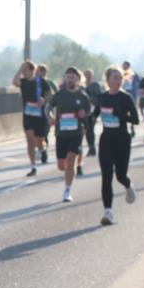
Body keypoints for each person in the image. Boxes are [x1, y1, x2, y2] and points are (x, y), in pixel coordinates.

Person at [97, 65, 139, 225]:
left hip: (122, 140)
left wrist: (121, 115)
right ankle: (108, 212)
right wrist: (86, 119)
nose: (118, 80)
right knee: (106, 175)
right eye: (115, 78)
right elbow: (94, 114)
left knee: (120, 175)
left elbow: (136, 120)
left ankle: (128, 185)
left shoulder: (125, 98)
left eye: (120, 78)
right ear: (108, 80)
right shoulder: (102, 98)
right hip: (106, 140)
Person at [48, 67, 91, 202]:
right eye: (68, 77)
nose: (70, 79)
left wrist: (84, 115)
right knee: (61, 165)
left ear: (78, 79)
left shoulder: (83, 96)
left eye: (73, 77)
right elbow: (48, 107)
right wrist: (50, 117)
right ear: (65, 79)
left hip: (76, 133)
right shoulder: (59, 95)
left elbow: (89, 113)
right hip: (61, 134)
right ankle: (68, 172)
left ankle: (67, 190)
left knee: (71, 160)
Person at [13, 60, 51, 176]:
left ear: (31, 70)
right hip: (28, 115)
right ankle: (33, 166)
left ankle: (42, 149)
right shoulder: (23, 82)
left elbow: (50, 95)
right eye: (22, 71)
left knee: (39, 141)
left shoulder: (41, 82)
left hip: (40, 115)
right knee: (30, 140)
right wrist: (21, 67)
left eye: (25, 70)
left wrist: (44, 100)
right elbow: (14, 81)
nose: (23, 73)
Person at [83, 68, 103, 157]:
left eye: (90, 74)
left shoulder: (96, 85)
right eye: (86, 74)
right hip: (84, 110)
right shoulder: (82, 85)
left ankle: (92, 148)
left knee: (90, 128)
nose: (88, 76)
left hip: (94, 109)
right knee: (87, 130)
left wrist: (93, 101)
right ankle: (91, 147)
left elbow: (100, 96)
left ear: (92, 75)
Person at [121, 61, 141, 138]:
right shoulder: (120, 73)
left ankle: (132, 127)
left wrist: (137, 93)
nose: (124, 67)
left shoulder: (134, 74)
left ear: (129, 66)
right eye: (123, 66)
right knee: (123, 112)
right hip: (122, 96)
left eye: (125, 66)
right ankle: (125, 128)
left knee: (132, 113)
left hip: (132, 96)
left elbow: (139, 83)